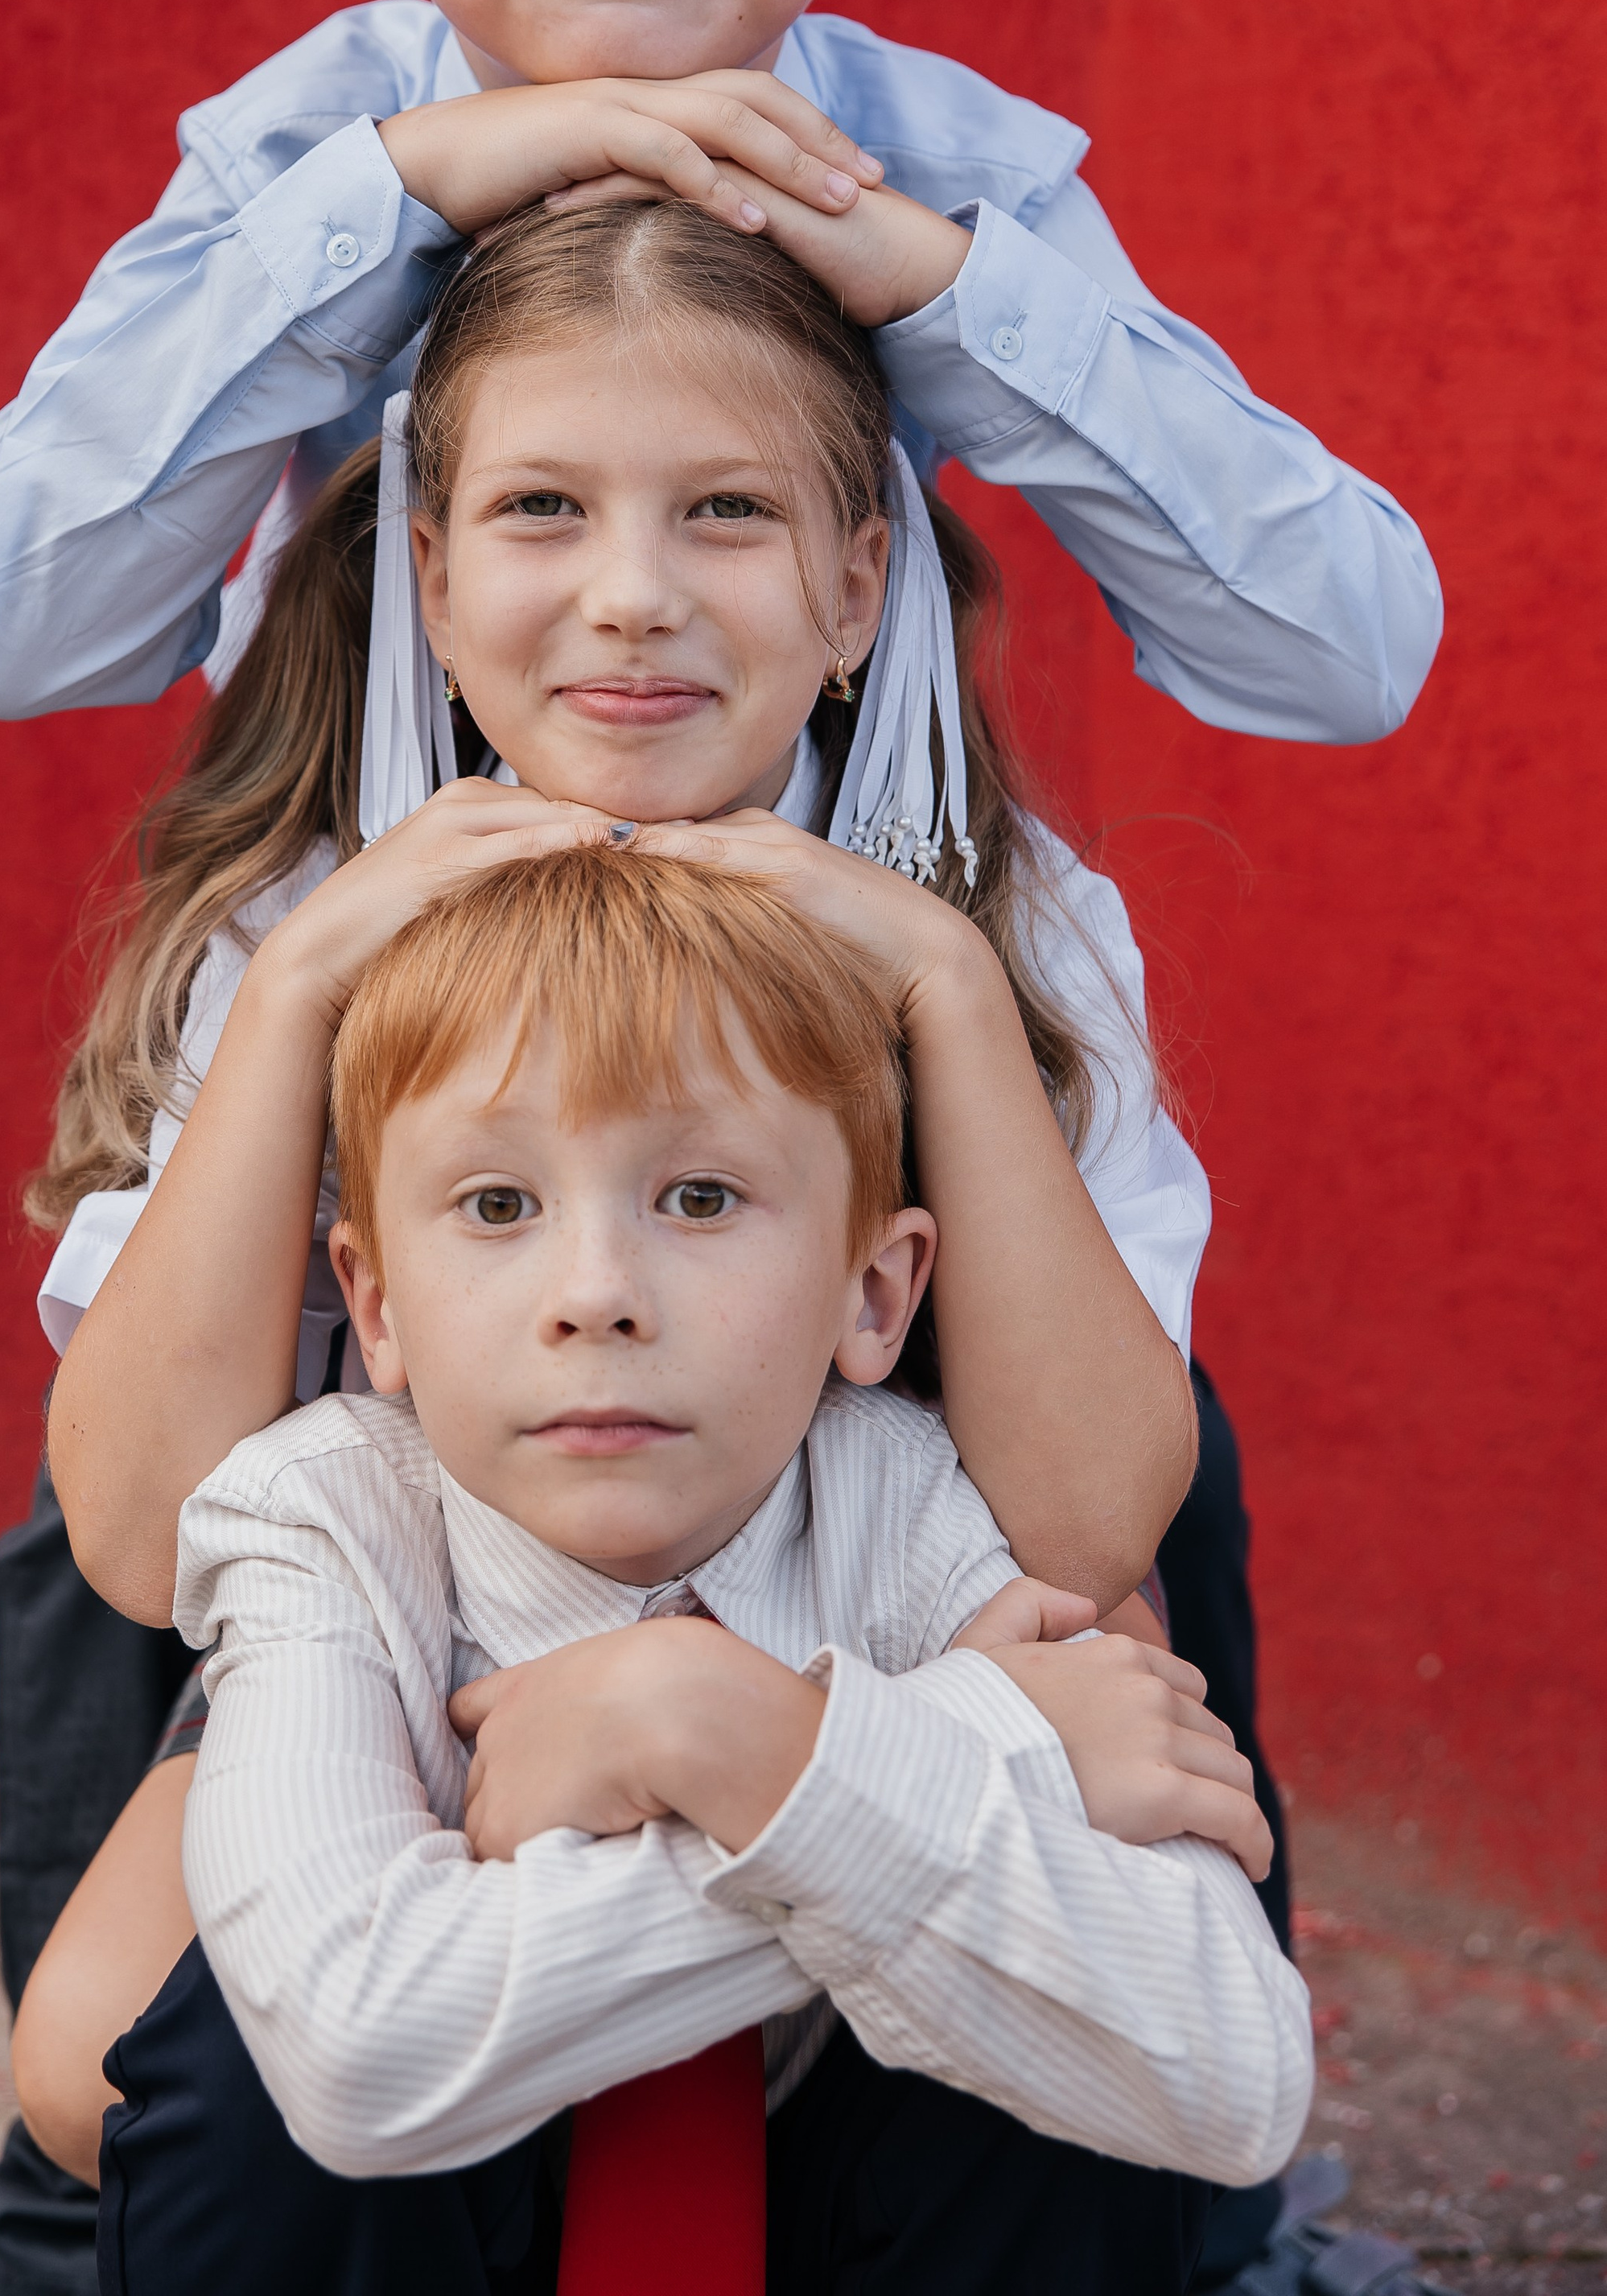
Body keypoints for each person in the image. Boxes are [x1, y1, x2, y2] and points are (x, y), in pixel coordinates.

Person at [0, 0, 1439, 2288]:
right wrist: (391, 209)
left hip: (870, 1212)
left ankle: (1129, 2070)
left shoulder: (952, 179)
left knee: (1111, 1431)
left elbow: (1344, 646)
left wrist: (941, 308)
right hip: (400, 1215)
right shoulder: (297, 168)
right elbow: (3, 618)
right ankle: (167, 2145)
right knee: (190, 1542)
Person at [10, 195, 1208, 2199]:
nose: (632, 594)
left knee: (1139, 1748)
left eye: (722, 514)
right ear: (435, 580)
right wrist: (304, 988)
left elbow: (1082, 1527)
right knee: (104, 2065)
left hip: (902, 1605)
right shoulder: (306, 929)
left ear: (853, 587)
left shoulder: (1015, 932)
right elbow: (138, 1534)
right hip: (439, 1616)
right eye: (544, 512)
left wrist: (932, 989)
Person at [97, 843, 1313, 2295]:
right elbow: (361, 2053)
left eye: (699, 1201)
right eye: (497, 1208)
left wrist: (707, 1733)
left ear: (876, 1295)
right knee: (247, 2060)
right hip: (448, 2236)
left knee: (1062, 2045)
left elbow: (1239, 2076)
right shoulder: (320, 1518)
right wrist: (964, 1743)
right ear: (374, 1306)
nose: (597, 1297)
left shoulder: (926, 1504)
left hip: (838, 2228)